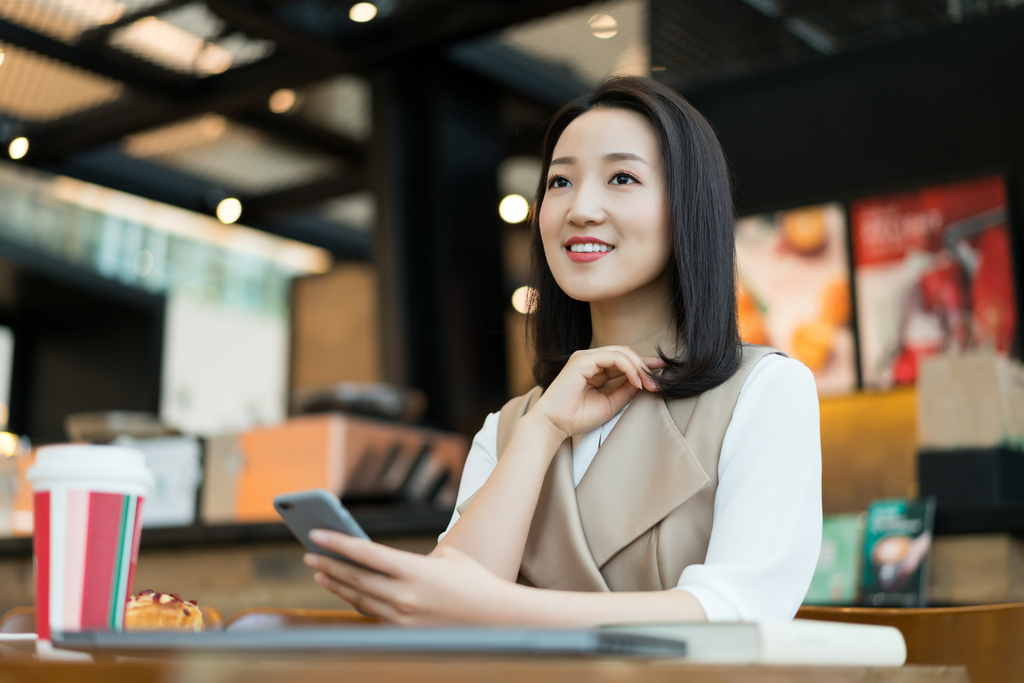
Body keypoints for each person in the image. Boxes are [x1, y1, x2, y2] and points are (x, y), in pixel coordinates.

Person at [304, 75, 822, 625]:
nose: (581, 208)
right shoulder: (510, 428)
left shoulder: (764, 390)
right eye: (559, 183)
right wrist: (542, 429)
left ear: (687, 208)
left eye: (621, 177)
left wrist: (497, 609)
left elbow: (739, 612)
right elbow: (448, 611)